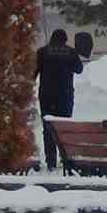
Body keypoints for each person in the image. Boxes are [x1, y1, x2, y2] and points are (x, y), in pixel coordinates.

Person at [34, 29, 85, 170]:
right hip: (65, 96)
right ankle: (66, 158)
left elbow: (33, 73)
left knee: (48, 128)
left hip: (46, 95)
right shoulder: (70, 52)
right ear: (65, 40)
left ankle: (51, 161)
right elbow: (79, 69)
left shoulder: (42, 52)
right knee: (64, 128)